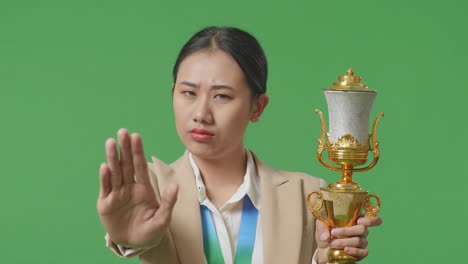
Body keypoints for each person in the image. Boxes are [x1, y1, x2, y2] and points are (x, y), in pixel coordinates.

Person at [97, 26, 382, 264]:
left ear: (257, 107)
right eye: (188, 92)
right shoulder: (150, 189)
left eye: (221, 96)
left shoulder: (309, 197)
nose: (200, 113)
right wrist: (128, 239)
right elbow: (134, 231)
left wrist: (329, 258)